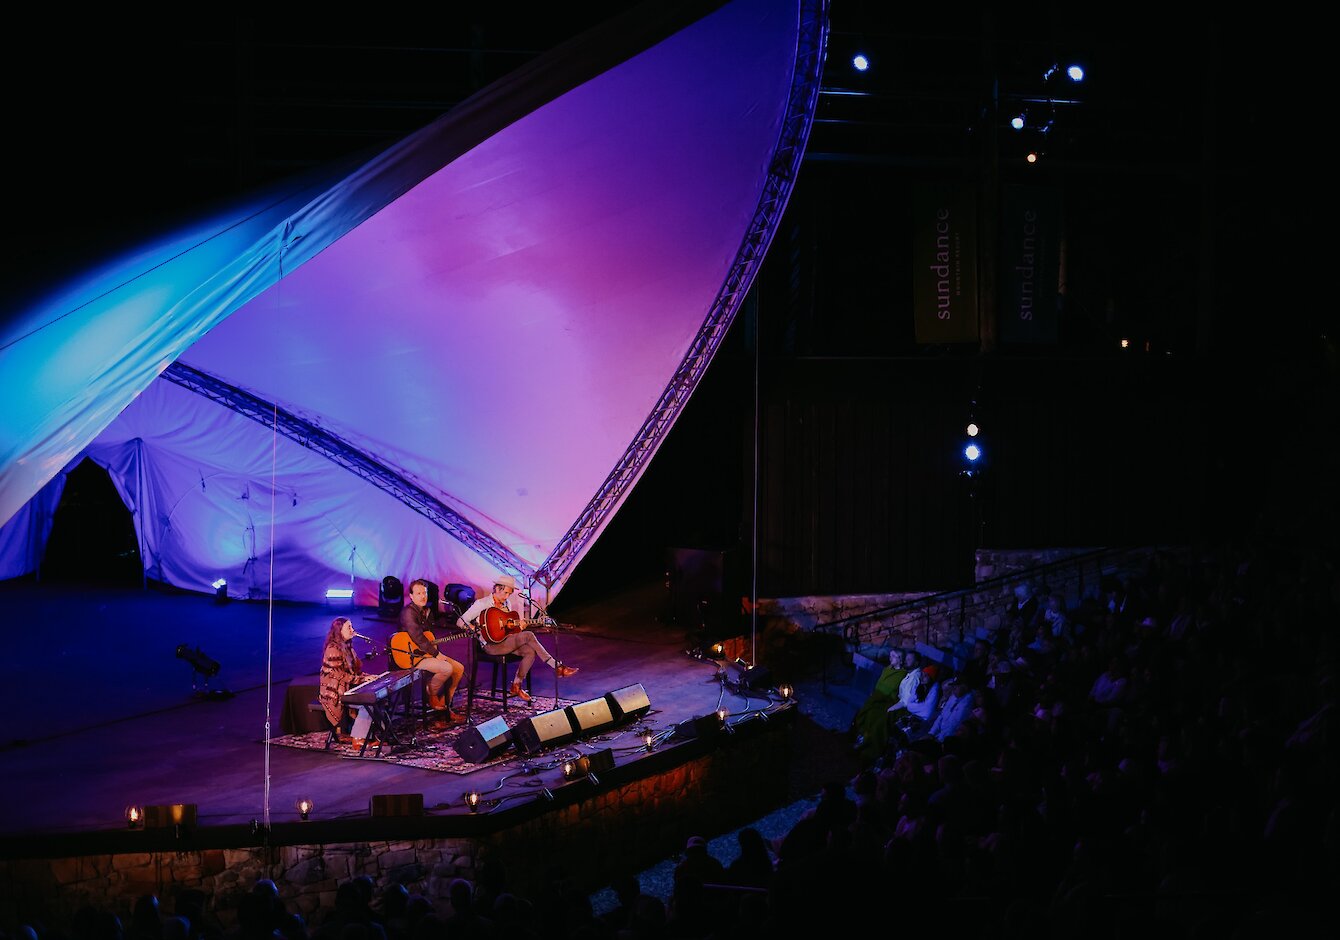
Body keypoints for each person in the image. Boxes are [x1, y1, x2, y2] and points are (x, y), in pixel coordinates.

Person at [456, 574, 577, 702]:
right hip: (490, 646)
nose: (507, 597)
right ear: (497, 589)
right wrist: (473, 628)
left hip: (505, 641)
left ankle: (516, 685)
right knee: (529, 635)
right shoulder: (481, 604)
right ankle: (557, 666)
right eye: (505, 593)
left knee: (529, 652)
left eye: (509, 594)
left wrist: (520, 626)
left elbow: (509, 629)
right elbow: (460, 621)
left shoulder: (507, 603)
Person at [400, 579, 466, 722]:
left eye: (424, 593)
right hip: (412, 655)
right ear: (411, 596)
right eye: (418, 593)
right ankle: (432, 693)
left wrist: (435, 652)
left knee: (459, 669)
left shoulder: (427, 612)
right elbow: (418, 638)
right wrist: (437, 654)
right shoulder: (408, 613)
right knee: (446, 668)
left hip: (426, 652)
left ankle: (444, 706)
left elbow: (430, 638)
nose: (423, 596)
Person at [319, 616, 369, 732]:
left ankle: (371, 733)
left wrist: (367, 677)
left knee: (375, 698)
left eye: (352, 627)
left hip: (347, 685)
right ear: (339, 631)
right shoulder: (333, 649)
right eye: (349, 627)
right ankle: (359, 736)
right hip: (335, 690)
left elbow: (355, 671)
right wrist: (361, 680)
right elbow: (339, 675)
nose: (353, 630)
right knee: (367, 702)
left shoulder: (348, 647)